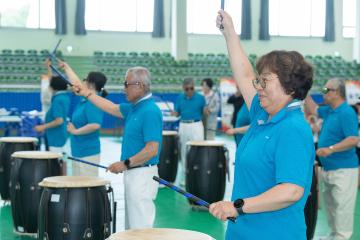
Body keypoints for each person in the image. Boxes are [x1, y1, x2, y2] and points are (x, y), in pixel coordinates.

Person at [209, 10, 315, 240]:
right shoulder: (262, 113)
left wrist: (237, 206)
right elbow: (245, 74)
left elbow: (291, 190)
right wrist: (230, 33)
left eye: (264, 80)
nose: (258, 85)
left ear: (289, 86)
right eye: (260, 80)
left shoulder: (293, 128)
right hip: (243, 232)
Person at [69, 66, 162, 230]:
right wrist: (87, 93)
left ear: (139, 85)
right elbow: (110, 107)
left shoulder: (150, 111)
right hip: (134, 173)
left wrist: (125, 163)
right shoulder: (135, 107)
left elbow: (152, 149)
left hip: (141, 174)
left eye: (127, 84)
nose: (123, 88)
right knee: (132, 227)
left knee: (141, 227)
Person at [305, 79, 359, 240]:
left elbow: (353, 140)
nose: (323, 92)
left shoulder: (347, 112)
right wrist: (305, 90)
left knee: (342, 208)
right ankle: (334, 234)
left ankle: (341, 236)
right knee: (331, 207)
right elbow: (313, 109)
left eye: (326, 89)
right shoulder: (329, 111)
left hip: (344, 169)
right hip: (329, 168)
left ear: (337, 92)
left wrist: (330, 149)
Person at [59, 61, 108, 177]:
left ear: (90, 84)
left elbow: (95, 125)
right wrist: (66, 67)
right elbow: (76, 83)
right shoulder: (86, 99)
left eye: (85, 79)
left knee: (87, 186)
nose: (82, 82)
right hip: (79, 150)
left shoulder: (93, 101)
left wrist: (75, 131)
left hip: (87, 152)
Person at [172, 78, 206, 185]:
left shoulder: (201, 98)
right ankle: (185, 175)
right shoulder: (179, 98)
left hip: (196, 125)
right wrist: (174, 113)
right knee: (184, 150)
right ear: (183, 88)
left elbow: (204, 112)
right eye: (187, 89)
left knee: (198, 149)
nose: (190, 91)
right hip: (183, 125)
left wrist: (207, 111)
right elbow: (177, 113)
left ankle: (198, 174)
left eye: (192, 88)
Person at [34, 75, 70, 154]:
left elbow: (58, 121)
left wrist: (42, 127)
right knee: (62, 158)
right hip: (60, 133)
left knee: (56, 159)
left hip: (56, 136)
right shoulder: (64, 97)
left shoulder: (58, 99)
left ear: (54, 86)